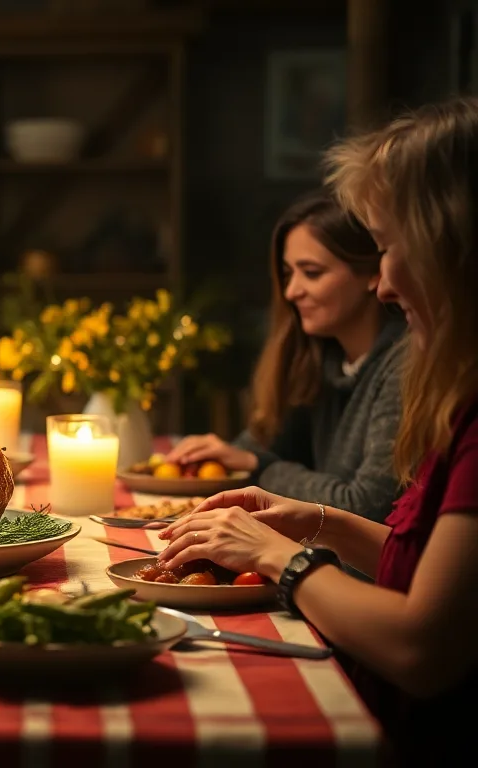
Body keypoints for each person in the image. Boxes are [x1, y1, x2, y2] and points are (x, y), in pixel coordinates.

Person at [156, 96, 478, 759]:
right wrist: (313, 522)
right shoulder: (419, 382)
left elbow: (421, 649)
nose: (388, 283)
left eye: (389, 246)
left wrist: (282, 556)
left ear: (453, 245)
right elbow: (413, 551)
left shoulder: (420, 375)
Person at [166, 190, 405, 521]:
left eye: (312, 272)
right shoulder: (323, 358)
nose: (292, 291)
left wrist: (258, 466)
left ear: (373, 274)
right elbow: (254, 450)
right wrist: (228, 454)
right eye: (289, 273)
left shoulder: (404, 365)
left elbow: (364, 506)